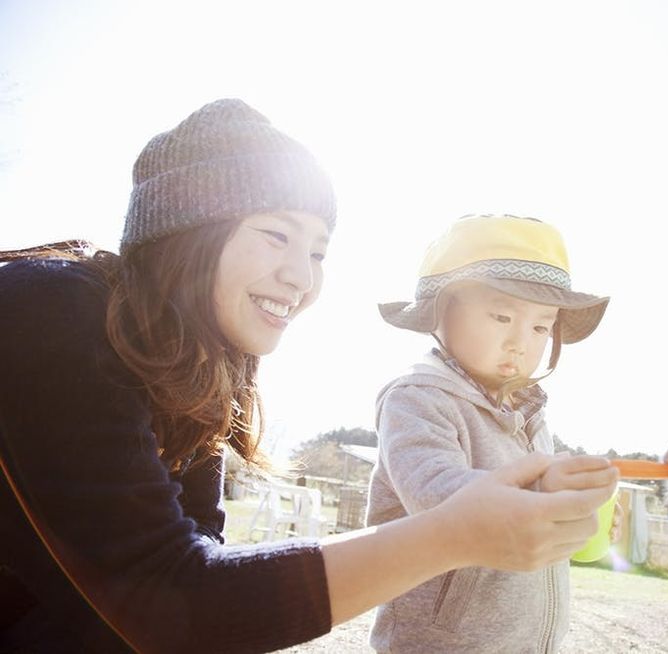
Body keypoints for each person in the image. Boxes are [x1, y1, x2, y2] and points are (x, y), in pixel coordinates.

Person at [0, 99, 619, 654]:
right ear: (183, 231)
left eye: (318, 252)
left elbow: (196, 572)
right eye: (276, 235)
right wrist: (448, 536)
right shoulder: (50, 311)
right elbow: (166, 603)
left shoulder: (197, 373)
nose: (302, 277)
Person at [368, 213, 613, 653]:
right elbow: (436, 494)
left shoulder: (530, 413)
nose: (522, 341)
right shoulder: (419, 398)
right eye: (502, 316)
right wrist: (543, 488)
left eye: (541, 326)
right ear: (439, 314)